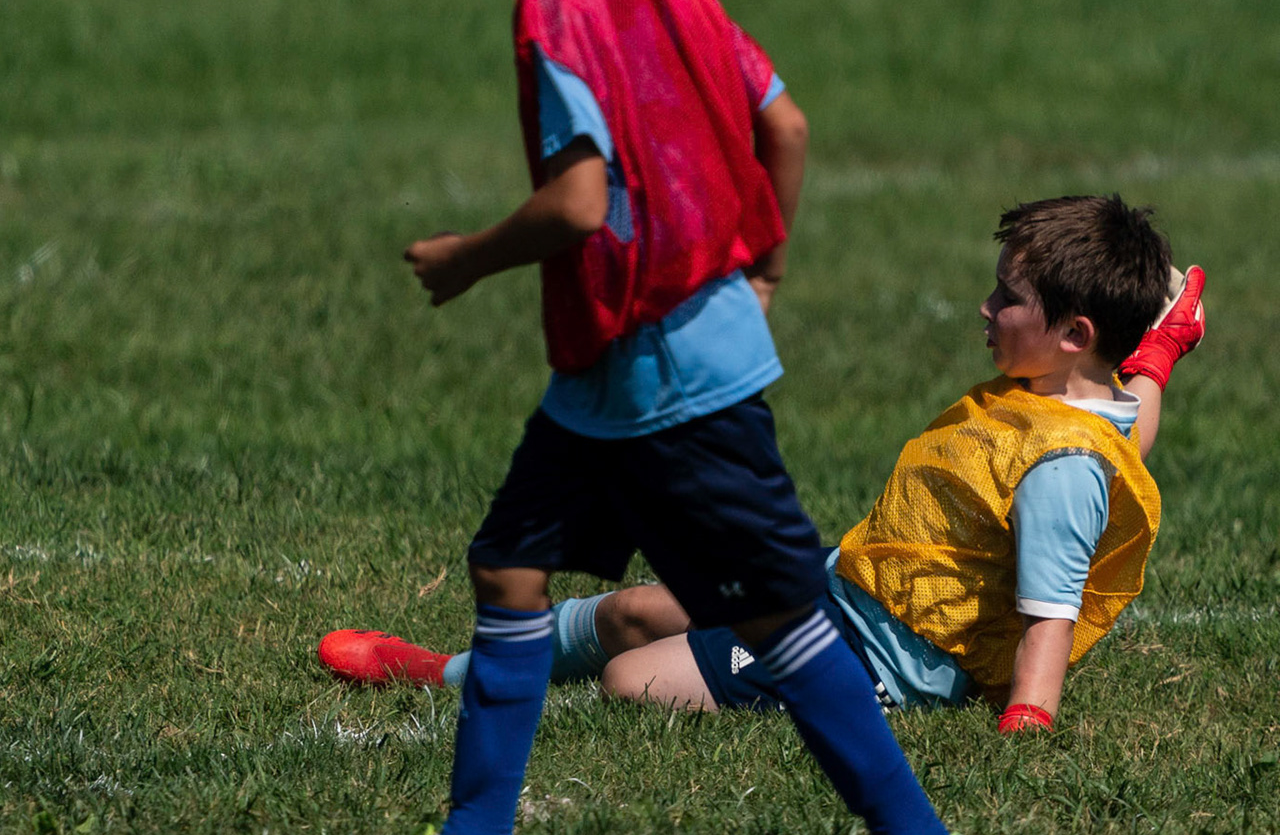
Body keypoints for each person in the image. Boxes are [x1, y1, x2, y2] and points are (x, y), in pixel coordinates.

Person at [317, 0, 986, 835]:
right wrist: (765, 263)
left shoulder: (558, 0)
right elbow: (785, 123)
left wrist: (468, 257)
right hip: (624, 369)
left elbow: (580, 202)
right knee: (508, 563)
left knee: (778, 612)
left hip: (663, 371)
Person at [322, 201, 1206, 734]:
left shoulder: (1062, 464)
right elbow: (1127, 431)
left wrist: (1027, 721)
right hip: (844, 587)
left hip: (881, 660)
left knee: (632, 678)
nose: (985, 306)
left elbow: (1050, 616)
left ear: (1074, 334)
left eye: (1008, 298)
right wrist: (1160, 351)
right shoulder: (1082, 401)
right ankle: (446, 671)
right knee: (634, 608)